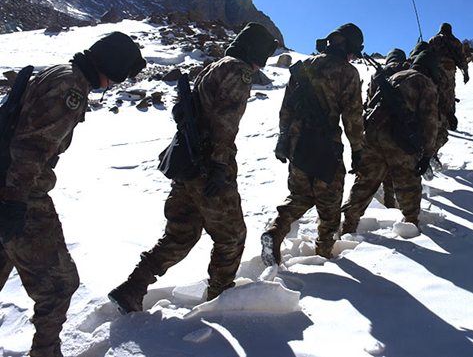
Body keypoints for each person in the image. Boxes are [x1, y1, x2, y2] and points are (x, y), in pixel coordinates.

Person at [108, 23, 278, 314]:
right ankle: (219, 299)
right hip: (208, 165)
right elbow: (226, 123)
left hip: (187, 165)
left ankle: (133, 287)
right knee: (232, 236)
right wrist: (219, 167)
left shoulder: (213, 67)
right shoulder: (238, 71)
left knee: (180, 234)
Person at [0, 31, 146, 357]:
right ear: (110, 68)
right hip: (21, 195)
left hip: (9, 187)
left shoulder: (58, 72)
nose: (112, 86)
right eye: (117, 78)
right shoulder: (71, 89)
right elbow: (30, 147)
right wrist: (14, 202)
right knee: (59, 285)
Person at [262, 23, 365, 265]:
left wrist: (283, 138)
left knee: (300, 195)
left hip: (298, 145)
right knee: (329, 204)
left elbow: (286, 108)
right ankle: (325, 258)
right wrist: (358, 149)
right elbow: (353, 116)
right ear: (348, 47)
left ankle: (275, 231)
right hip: (326, 147)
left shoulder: (302, 67)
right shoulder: (347, 73)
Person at [341, 50, 439, 234]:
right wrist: (427, 154)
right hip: (400, 141)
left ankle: (348, 225)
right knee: (408, 185)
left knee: (365, 182)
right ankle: (410, 228)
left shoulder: (386, 77)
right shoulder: (424, 82)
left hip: (371, 137)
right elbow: (430, 122)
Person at [365, 48, 409, 208]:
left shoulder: (378, 74)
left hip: (377, 131)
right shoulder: (409, 73)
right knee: (404, 175)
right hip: (403, 132)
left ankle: (352, 219)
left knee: (371, 177)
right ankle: (409, 216)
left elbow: (370, 102)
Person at [427, 22, 469, 157]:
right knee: (449, 93)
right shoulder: (455, 42)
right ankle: (449, 118)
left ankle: (437, 116)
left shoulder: (433, 40)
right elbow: (462, 58)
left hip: (434, 69)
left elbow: (427, 53)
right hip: (449, 69)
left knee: (436, 92)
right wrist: (466, 73)